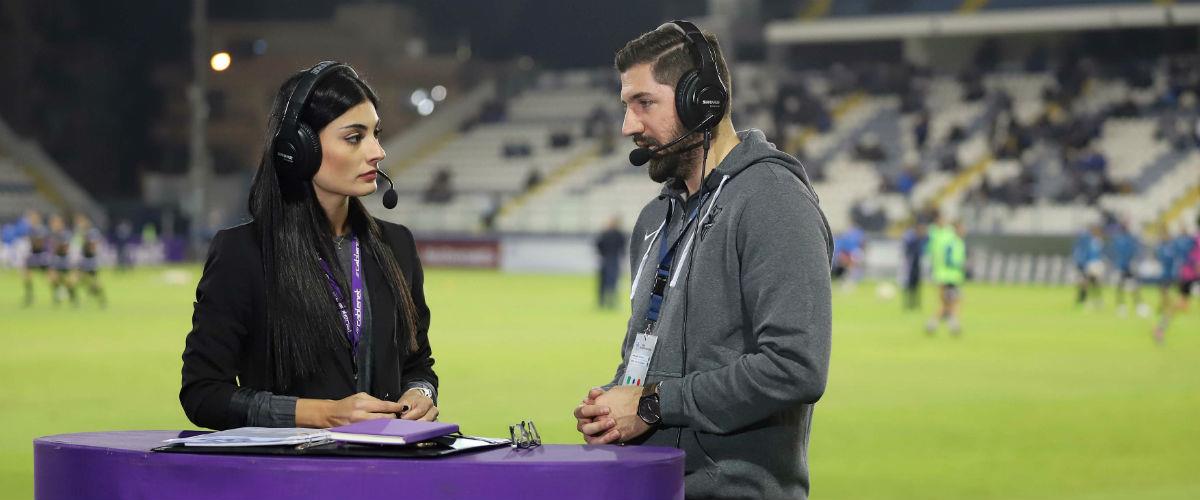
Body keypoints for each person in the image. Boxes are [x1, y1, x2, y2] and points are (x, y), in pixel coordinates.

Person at [573, 21, 832, 499]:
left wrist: (651, 404)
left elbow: (795, 366)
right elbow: (649, 358)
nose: (629, 126)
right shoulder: (655, 218)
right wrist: (617, 400)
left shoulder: (773, 200)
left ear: (703, 101)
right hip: (651, 486)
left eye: (644, 103)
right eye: (626, 105)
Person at [180, 62, 438, 431]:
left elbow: (418, 364)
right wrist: (323, 414)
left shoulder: (397, 245)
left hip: (385, 464)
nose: (378, 151)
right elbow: (203, 393)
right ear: (299, 148)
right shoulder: (242, 253)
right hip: (292, 466)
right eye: (355, 137)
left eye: (376, 134)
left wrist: (421, 393)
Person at [1153, 220, 1200, 344]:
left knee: (1182, 305)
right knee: (1181, 304)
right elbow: (1191, 258)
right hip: (1190, 276)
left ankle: (1160, 327)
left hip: (1190, 275)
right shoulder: (1194, 240)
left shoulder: (1193, 239)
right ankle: (1160, 328)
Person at [925, 220, 966, 336]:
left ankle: (937, 324)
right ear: (956, 229)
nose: (964, 231)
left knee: (949, 303)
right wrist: (959, 264)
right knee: (950, 303)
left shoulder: (954, 241)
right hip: (948, 278)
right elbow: (947, 259)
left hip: (949, 277)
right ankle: (948, 325)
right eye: (962, 228)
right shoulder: (951, 242)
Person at [1106, 221, 1142, 317]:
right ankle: (1123, 306)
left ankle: (1135, 305)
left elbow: (1133, 252)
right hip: (1122, 266)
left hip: (1126, 266)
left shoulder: (1125, 239)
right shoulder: (1121, 239)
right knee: (1123, 287)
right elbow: (1112, 252)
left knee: (1130, 286)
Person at [70, 214, 107, 308]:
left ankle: (102, 300)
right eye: (78, 222)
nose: (79, 224)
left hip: (91, 261)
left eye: (81, 222)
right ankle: (75, 301)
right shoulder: (78, 233)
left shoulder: (93, 232)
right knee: (74, 280)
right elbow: (76, 246)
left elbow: (93, 247)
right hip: (81, 261)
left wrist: (87, 243)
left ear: (86, 222)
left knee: (95, 282)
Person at [595, 216, 626, 309]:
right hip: (609, 259)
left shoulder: (609, 233)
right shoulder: (614, 234)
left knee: (610, 281)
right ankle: (604, 302)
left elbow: (599, 245)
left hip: (610, 259)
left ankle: (609, 301)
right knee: (606, 281)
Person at [1072, 225, 1105, 309]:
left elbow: (1098, 254)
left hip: (1093, 264)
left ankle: (1091, 300)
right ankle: (1084, 300)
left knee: (1091, 283)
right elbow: (1084, 252)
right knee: (1086, 283)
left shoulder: (1097, 241)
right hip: (1088, 264)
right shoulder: (1088, 240)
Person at [902, 221, 928, 311]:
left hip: (918, 263)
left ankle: (916, 303)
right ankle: (908, 303)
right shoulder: (911, 237)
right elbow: (907, 249)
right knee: (909, 284)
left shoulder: (922, 238)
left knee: (917, 285)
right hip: (910, 263)